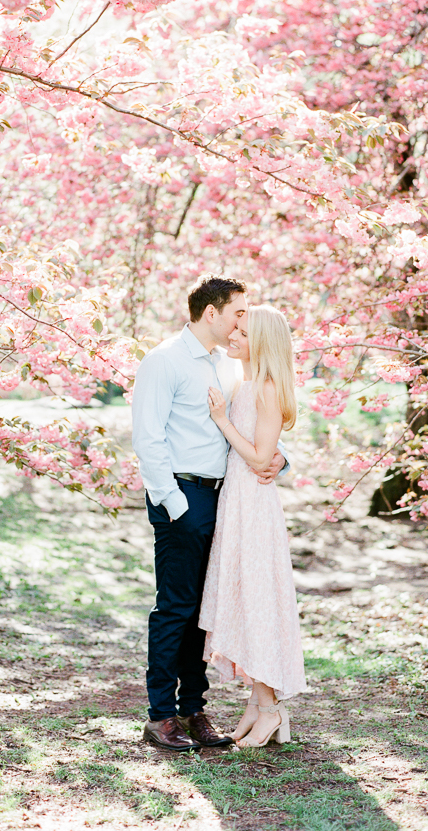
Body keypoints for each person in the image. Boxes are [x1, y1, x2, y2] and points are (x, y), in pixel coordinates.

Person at [132, 275, 287, 752]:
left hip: (226, 496)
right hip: (182, 496)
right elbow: (147, 438)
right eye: (238, 312)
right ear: (211, 312)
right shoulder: (164, 361)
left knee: (204, 609)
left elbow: (257, 424)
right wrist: (175, 505)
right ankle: (161, 716)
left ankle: (193, 709)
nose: (243, 322)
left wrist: (282, 459)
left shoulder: (228, 364)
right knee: (175, 607)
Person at [200, 305, 307, 747]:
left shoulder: (265, 387)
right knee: (245, 597)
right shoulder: (246, 384)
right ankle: (258, 703)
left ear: (262, 342)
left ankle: (270, 709)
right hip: (237, 501)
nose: (233, 335)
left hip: (254, 506)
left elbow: (262, 458)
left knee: (257, 599)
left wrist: (222, 420)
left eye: (243, 332)